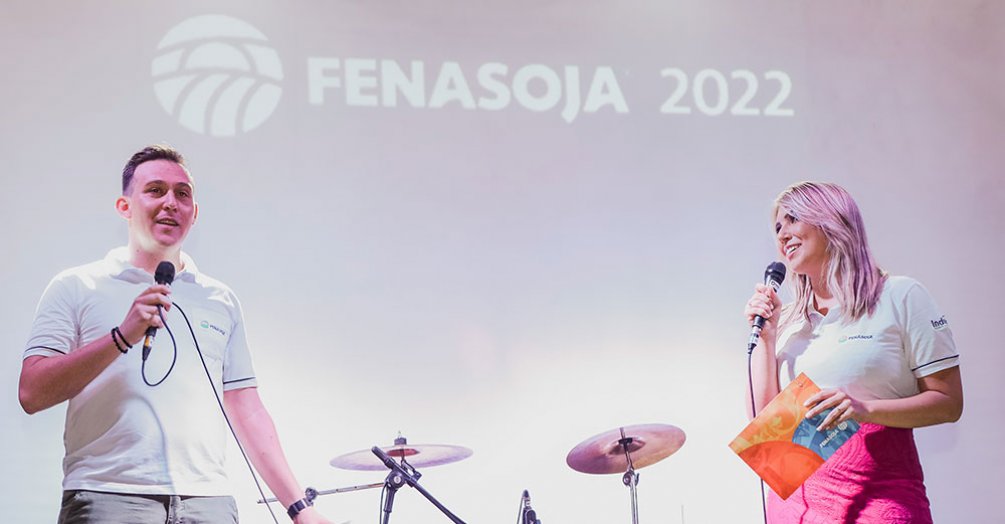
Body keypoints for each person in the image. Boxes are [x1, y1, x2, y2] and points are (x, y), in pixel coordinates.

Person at [18, 145, 334, 524]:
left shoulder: (219, 298)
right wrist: (122, 336)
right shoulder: (76, 285)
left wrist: (299, 508)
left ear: (194, 213)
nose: (170, 202)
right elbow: (32, 392)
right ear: (125, 207)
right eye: (155, 190)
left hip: (209, 502)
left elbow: (246, 408)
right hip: (109, 495)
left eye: (182, 194)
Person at [743, 181, 963, 524]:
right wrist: (767, 338)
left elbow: (949, 403)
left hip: (877, 503)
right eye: (777, 227)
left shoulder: (900, 296)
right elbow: (767, 430)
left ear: (832, 220)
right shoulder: (787, 322)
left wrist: (865, 409)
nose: (782, 234)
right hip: (796, 510)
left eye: (793, 219)